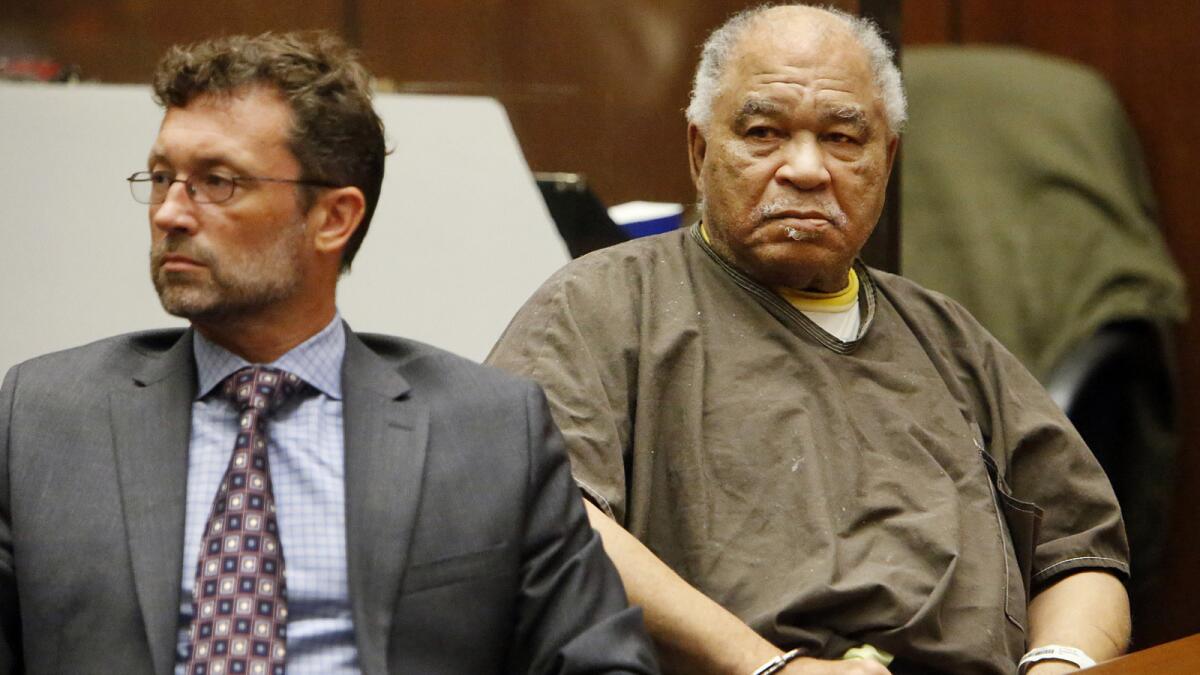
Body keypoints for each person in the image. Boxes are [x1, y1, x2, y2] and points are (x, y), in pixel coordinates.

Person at [487, 5, 1130, 675]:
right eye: (764, 132)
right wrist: (771, 667)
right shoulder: (604, 305)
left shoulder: (948, 339)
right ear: (700, 150)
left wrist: (1058, 662)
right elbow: (547, 514)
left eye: (843, 139)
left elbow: (1079, 551)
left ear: (887, 159)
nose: (805, 169)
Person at [0, 32, 657, 675]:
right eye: (163, 177)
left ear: (333, 218)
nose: (171, 211)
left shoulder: (488, 429)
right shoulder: (44, 416)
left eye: (217, 181)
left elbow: (600, 656)